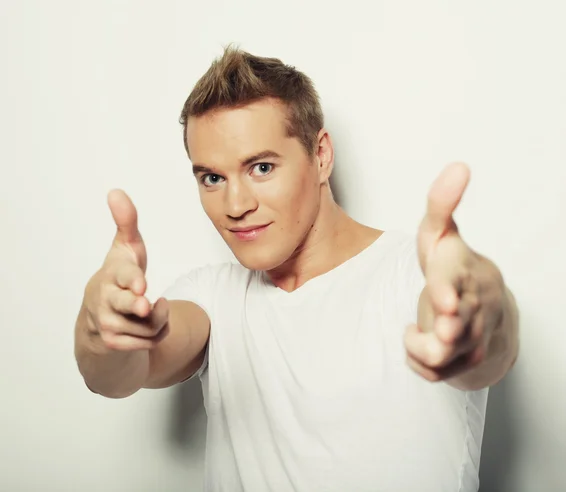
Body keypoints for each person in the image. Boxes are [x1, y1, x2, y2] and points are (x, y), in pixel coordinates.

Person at [74, 45, 520, 491]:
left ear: (321, 155)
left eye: (261, 167)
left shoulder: (413, 274)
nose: (235, 205)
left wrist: (480, 313)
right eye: (212, 178)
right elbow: (116, 375)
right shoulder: (212, 298)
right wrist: (102, 329)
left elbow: (486, 348)